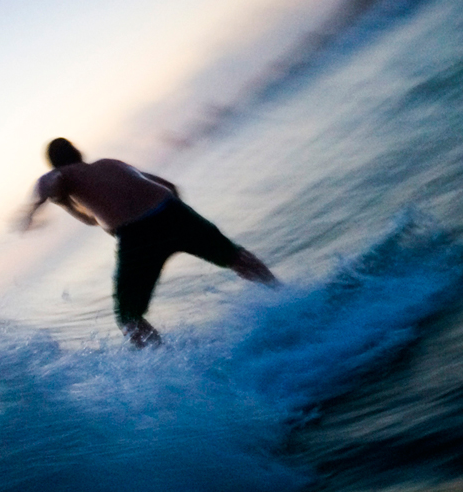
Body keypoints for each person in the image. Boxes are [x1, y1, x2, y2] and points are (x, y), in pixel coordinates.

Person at [18, 138, 278, 347]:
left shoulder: (62, 175)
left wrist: (31, 210)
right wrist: (66, 203)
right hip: (172, 211)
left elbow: (50, 181)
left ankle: (169, 363)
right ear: (78, 152)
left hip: (138, 235)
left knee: (129, 319)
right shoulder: (110, 164)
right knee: (235, 258)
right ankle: (281, 295)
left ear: (55, 165)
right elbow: (168, 185)